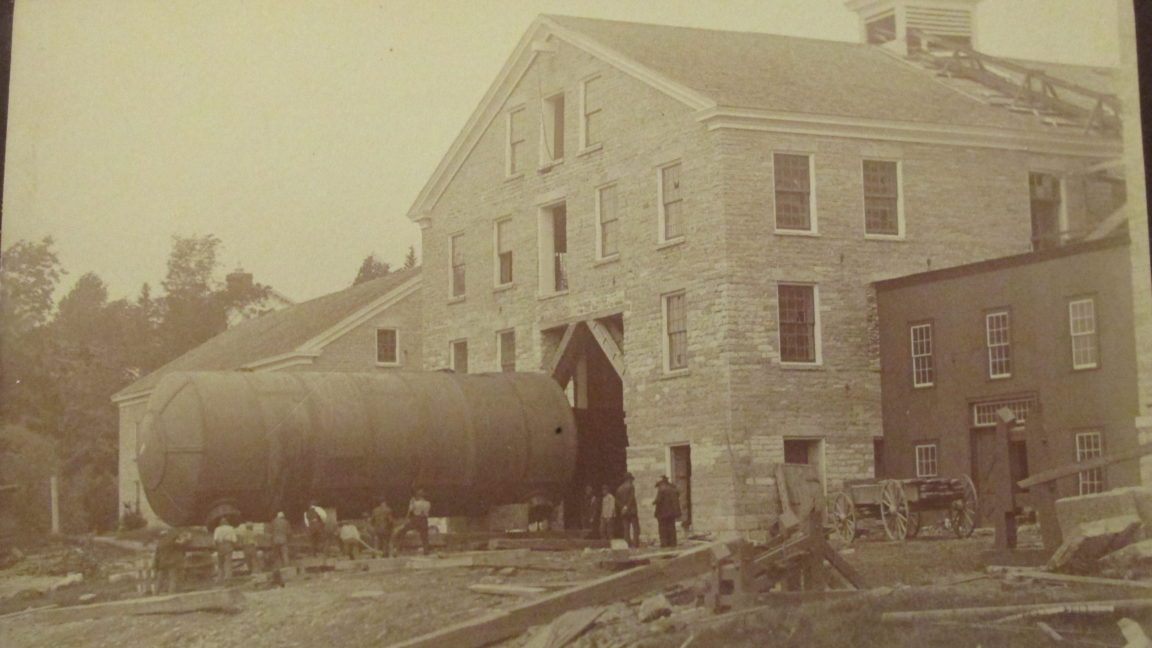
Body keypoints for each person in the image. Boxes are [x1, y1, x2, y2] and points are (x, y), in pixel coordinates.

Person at [392, 489, 432, 556]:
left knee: (402, 531)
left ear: (417, 495)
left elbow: (410, 511)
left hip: (416, 519)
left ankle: (398, 548)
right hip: (424, 520)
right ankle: (426, 551)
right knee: (424, 536)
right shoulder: (428, 503)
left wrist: (406, 519)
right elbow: (427, 513)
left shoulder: (414, 502)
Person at [153, 528, 191, 594]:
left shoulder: (160, 543)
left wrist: (156, 565)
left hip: (162, 564)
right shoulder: (171, 541)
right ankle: (171, 593)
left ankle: (155, 593)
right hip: (172, 563)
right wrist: (188, 539)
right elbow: (181, 545)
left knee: (159, 580)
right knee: (173, 579)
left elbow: (157, 556)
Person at [653, 476, 682, 548]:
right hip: (672, 512)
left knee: (662, 528)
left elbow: (658, 500)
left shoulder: (662, 489)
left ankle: (664, 544)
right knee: (671, 527)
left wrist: (653, 502)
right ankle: (673, 543)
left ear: (661, 483)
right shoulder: (673, 488)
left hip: (663, 513)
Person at [616, 473, 640, 548]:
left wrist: (622, 507)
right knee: (636, 528)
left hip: (624, 512)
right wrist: (627, 506)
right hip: (632, 511)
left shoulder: (619, 488)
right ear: (629, 479)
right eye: (631, 479)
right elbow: (631, 498)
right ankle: (635, 544)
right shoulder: (631, 487)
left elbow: (616, 500)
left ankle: (627, 544)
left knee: (626, 529)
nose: (632, 481)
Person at [213, 517, 238, 581]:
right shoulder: (231, 528)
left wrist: (217, 547)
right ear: (227, 522)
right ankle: (228, 577)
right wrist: (234, 546)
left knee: (220, 563)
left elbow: (215, 539)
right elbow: (234, 539)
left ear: (220, 523)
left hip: (220, 545)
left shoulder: (217, 529)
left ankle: (220, 577)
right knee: (228, 561)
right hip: (228, 545)